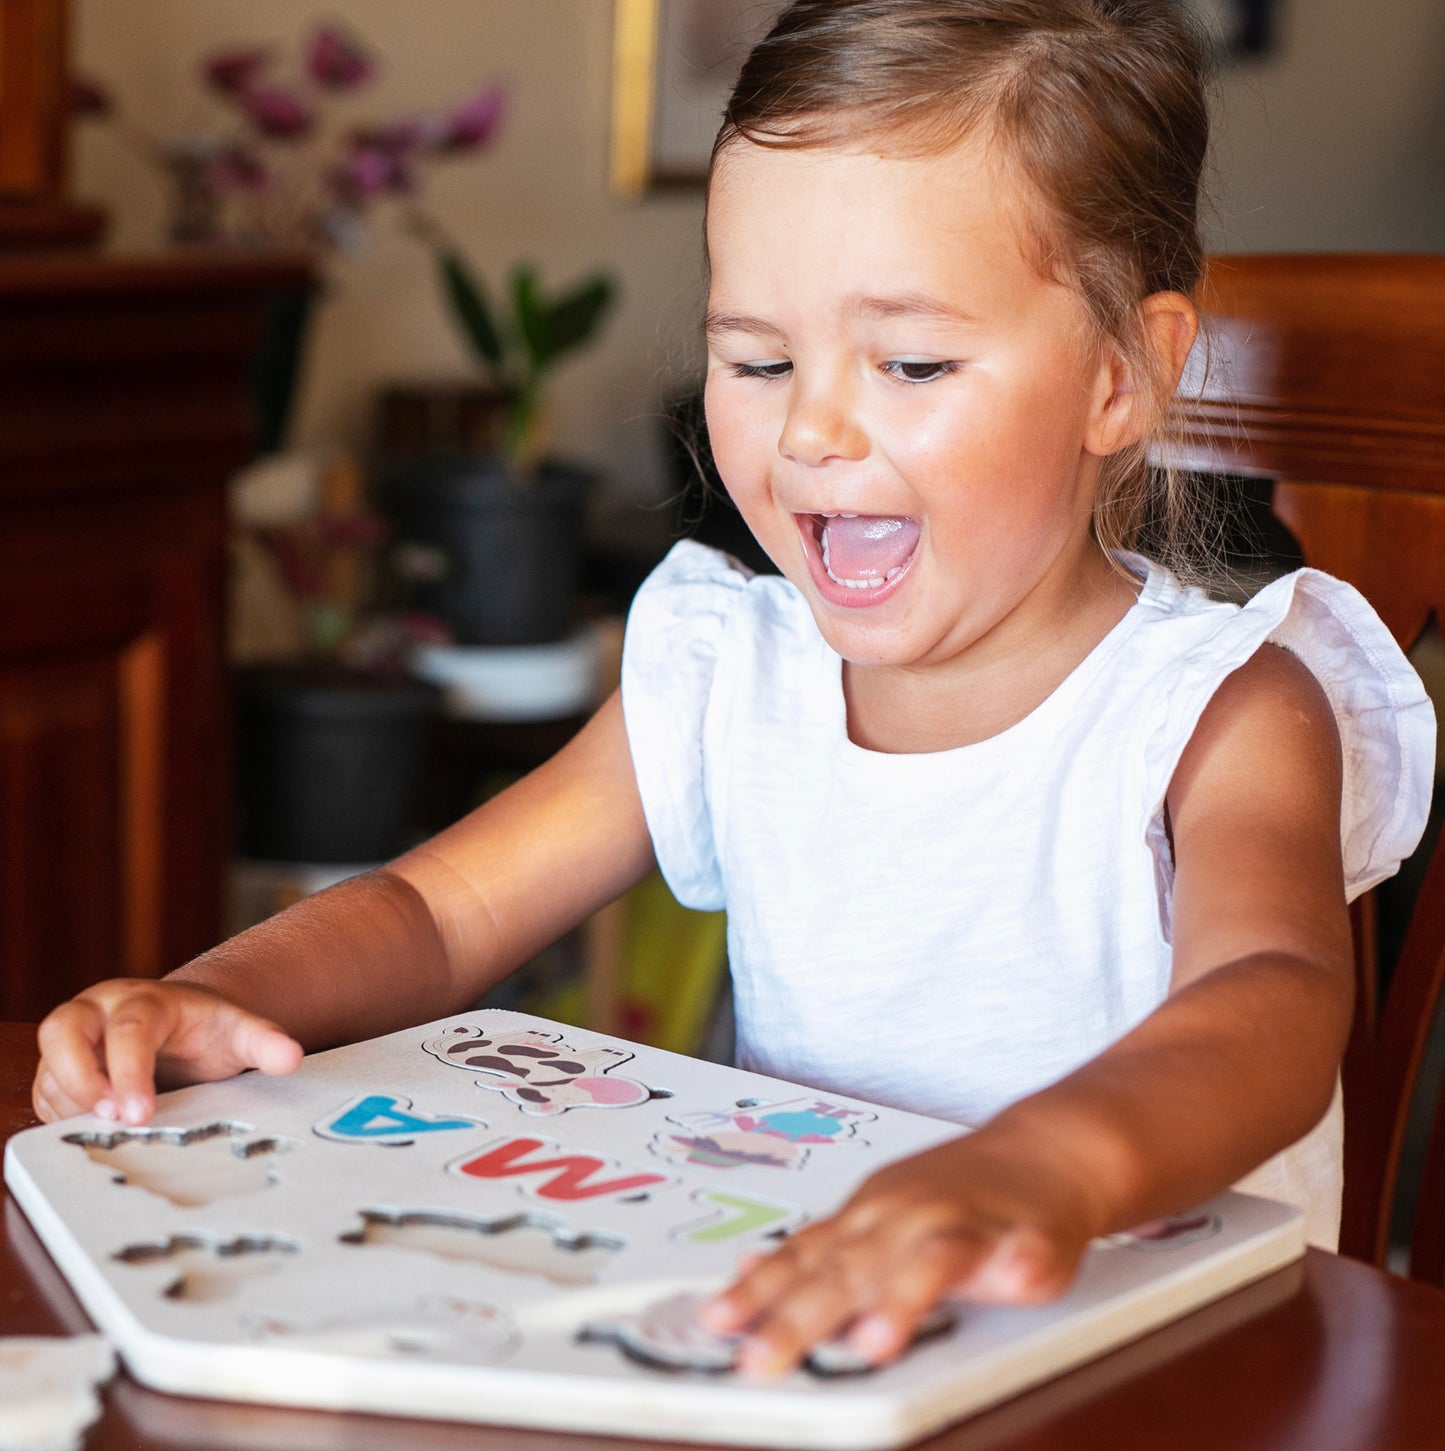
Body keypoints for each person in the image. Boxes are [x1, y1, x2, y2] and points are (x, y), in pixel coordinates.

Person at [32, 0, 1434, 1379]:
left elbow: (1273, 1002)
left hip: (1174, 1370)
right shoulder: (726, 664)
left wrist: (1040, 1171)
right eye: (756, 359)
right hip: (825, 1332)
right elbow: (439, 907)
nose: (812, 428)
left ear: (1125, 377)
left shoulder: (1217, 708)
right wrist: (215, 994)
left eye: (911, 362)